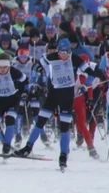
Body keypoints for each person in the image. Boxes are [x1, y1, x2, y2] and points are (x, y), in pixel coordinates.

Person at [15, 39, 97, 169]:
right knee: (40, 121)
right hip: (53, 96)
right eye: (61, 52)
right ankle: (28, 147)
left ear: (70, 51)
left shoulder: (75, 59)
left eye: (66, 52)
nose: (63, 55)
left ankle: (63, 155)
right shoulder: (51, 57)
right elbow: (36, 67)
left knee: (64, 127)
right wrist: (36, 75)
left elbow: (91, 73)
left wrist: (85, 85)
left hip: (67, 98)